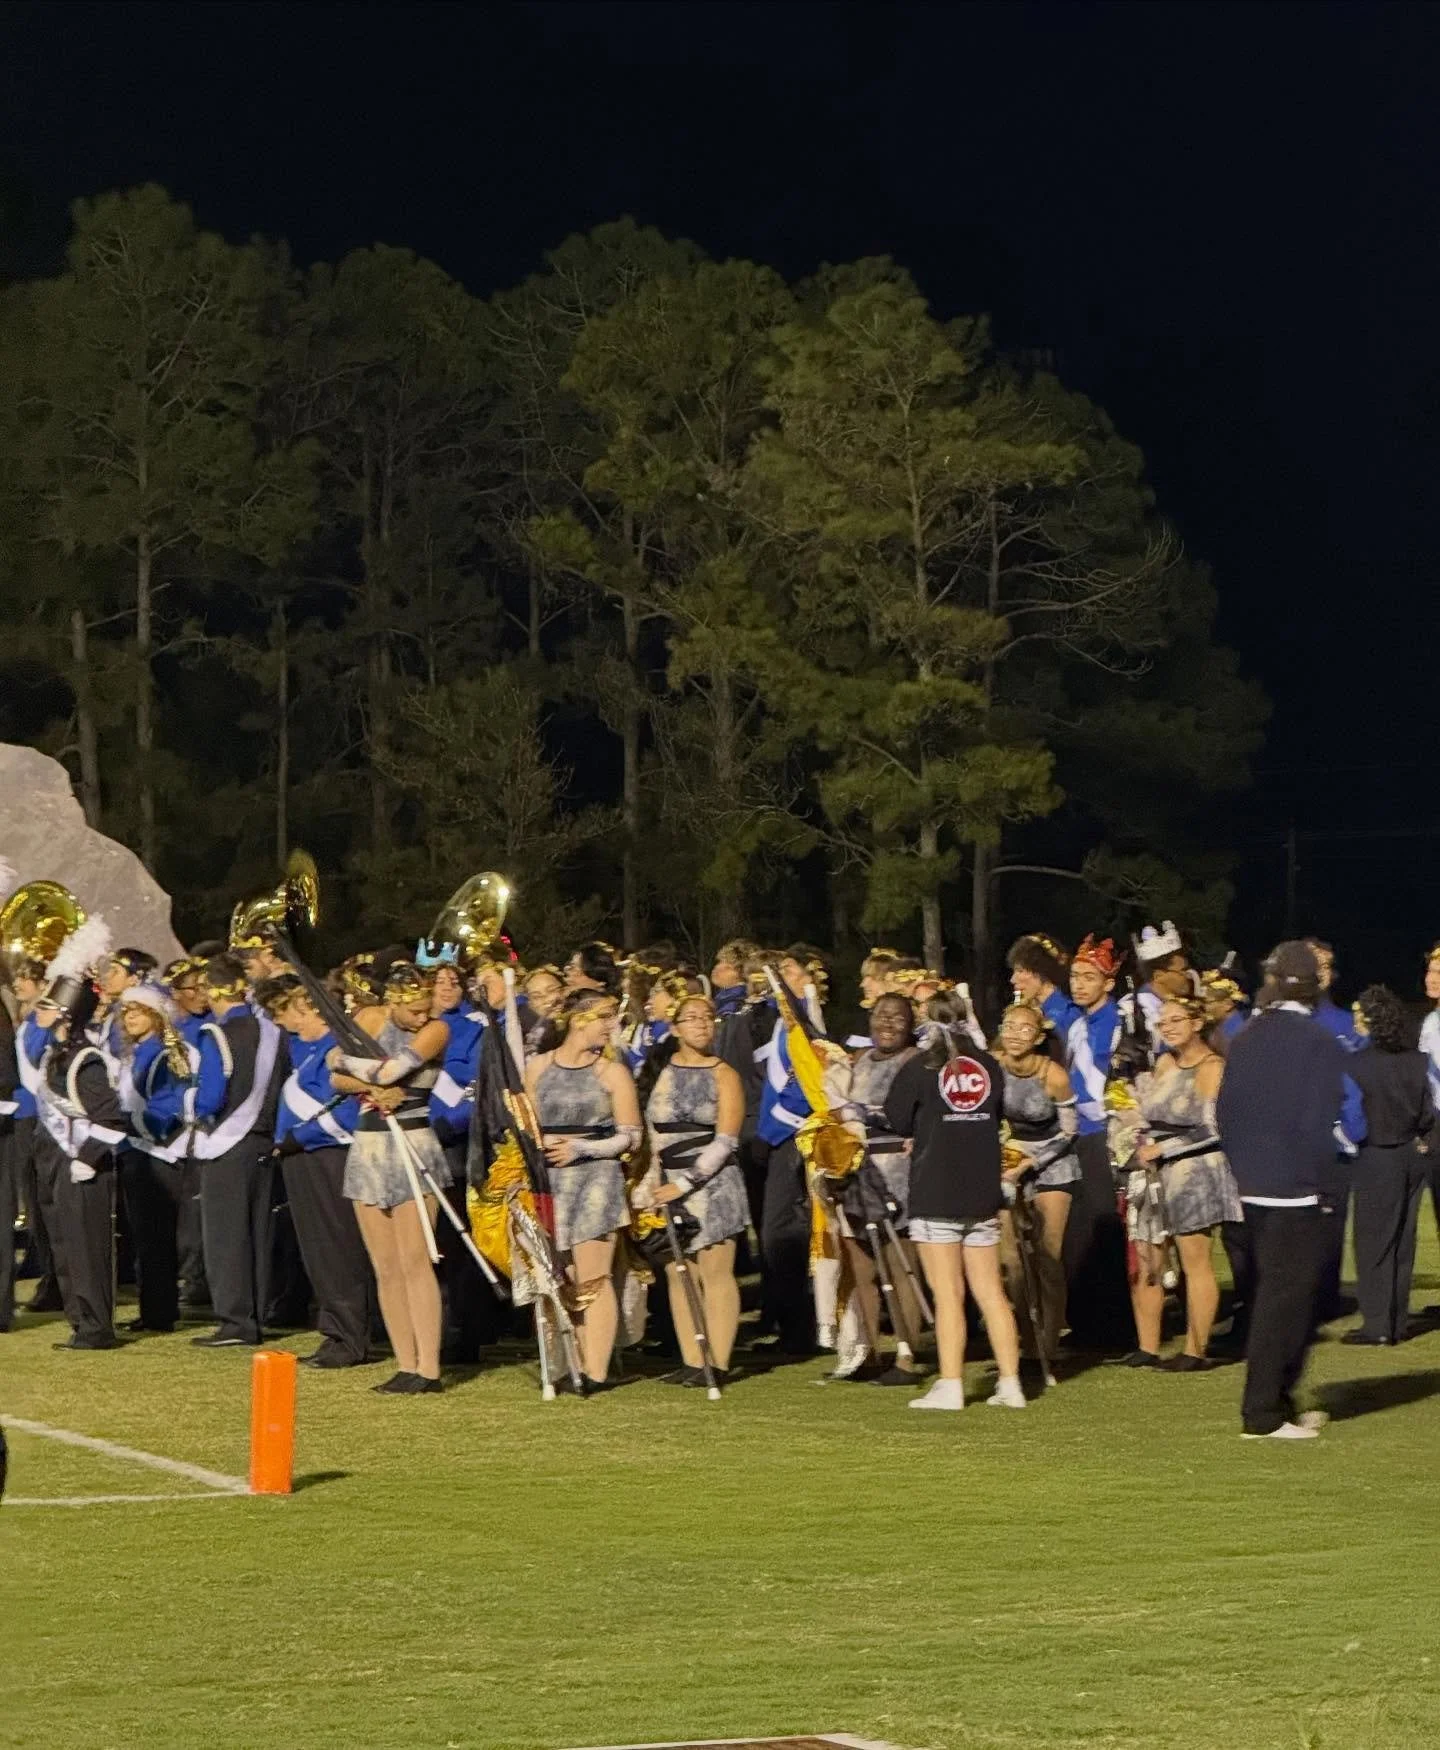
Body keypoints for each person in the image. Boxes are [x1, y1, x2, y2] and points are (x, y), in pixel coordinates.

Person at [1216, 941, 1364, 1440]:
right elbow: (1324, 1119)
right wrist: (1320, 1177)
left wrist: (1245, 1169)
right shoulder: (1320, 1040)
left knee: (1275, 1296)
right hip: (1299, 1188)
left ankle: (1279, 1401)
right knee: (1288, 1302)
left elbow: (1226, 1112)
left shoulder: (1246, 1035)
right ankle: (1263, 1413)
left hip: (1254, 1186)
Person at [884, 994, 1025, 1412]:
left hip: (937, 1188)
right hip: (982, 1189)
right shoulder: (989, 1065)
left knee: (948, 1294)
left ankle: (950, 1384)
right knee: (991, 1292)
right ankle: (1011, 1383)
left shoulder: (921, 1067)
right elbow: (1000, 1113)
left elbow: (896, 1118)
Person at [327, 961, 453, 1394]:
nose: (422, 1017)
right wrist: (368, 1084)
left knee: (415, 1261)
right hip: (370, 1146)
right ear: (393, 1002)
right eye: (414, 1010)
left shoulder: (436, 1030)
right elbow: (335, 1077)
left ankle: (429, 1369)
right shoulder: (368, 1018)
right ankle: (405, 1363)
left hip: (413, 1144)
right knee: (385, 1266)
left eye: (426, 1008)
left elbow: (391, 1070)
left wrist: (358, 1070)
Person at [524, 987, 641, 1391]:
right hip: (552, 1181)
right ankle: (576, 1362)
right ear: (578, 1019)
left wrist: (581, 1148)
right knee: (567, 1276)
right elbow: (528, 1125)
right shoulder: (538, 1067)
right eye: (604, 1017)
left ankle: (597, 1370)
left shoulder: (611, 1072)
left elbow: (631, 1136)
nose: (612, 1026)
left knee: (595, 1276)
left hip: (596, 1178)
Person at [256, 975, 376, 1369]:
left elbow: (346, 1112)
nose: (280, 1019)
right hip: (304, 1158)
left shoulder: (335, 1048)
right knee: (318, 1253)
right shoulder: (303, 1048)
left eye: (285, 1010)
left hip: (327, 1156)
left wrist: (298, 1137)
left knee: (336, 1249)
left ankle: (348, 1338)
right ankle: (336, 1331)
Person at [634, 992, 748, 1384]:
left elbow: (726, 1140)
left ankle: (718, 1361)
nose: (701, 1024)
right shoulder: (659, 1071)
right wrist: (651, 1183)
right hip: (666, 1180)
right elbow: (650, 1132)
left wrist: (686, 1184)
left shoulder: (724, 1074)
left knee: (716, 1272)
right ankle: (693, 1359)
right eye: (692, 1018)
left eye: (706, 1017)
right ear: (676, 1027)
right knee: (679, 1272)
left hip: (713, 1184)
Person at [1123, 997, 1241, 1370]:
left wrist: (1164, 1147)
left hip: (1195, 1171)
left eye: (1176, 1020)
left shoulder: (1211, 1066)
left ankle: (1195, 1350)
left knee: (1195, 1261)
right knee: (1148, 1258)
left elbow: (1213, 1128)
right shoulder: (1164, 1062)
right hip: (1152, 1170)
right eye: (1163, 1022)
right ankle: (1148, 1345)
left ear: (1197, 1022)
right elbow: (1148, 1113)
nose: (1168, 1028)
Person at [31, 930, 128, 1352]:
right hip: (54, 1162)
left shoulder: (86, 1060)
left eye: (48, 1005)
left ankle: (96, 1328)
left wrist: (87, 1159)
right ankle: (80, 1322)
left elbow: (112, 1119)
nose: (40, 1010)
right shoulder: (57, 1055)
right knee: (64, 1247)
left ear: (67, 1014)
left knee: (86, 1249)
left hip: (81, 1166)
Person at [190, 952, 286, 1349]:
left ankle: (235, 1321)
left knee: (226, 1236)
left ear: (215, 990)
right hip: (264, 1139)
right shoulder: (273, 1031)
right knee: (258, 1232)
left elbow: (210, 1097)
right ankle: (257, 1313)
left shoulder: (218, 1034)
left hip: (228, 1142)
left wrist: (188, 1104)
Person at [835, 991, 924, 1383]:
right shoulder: (858, 1061)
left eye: (897, 1018)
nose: (887, 1024)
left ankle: (906, 1356)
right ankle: (868, 1351)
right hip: (857, 1169)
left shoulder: (918, 1062)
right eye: (881, 1015)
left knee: (900, 1265)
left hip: (899, 1172)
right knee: (861, 1267)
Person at [1343, 984, 1435, 1346]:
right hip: (1411, 1155)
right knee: (1402, 1242)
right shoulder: (1418, 1061)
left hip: (1376, 1156)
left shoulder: (1355, 1064)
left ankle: (1377, 1326)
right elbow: (1428, 1113)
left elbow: (1352, 1123)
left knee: (1373, 1243)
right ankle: (1396, 1322)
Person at [992, 1001, 1079, 1365]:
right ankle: (1025, 1340)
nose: (1015, 1035)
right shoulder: (993, 1067)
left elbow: (1070, 1131)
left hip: (1052, 1162)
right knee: (1012, 1259)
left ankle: (1049, 1339)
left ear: (1039, 1037)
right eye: (1010, 1026)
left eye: (1025, 1029)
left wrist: (1034, 1161)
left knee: (1047, 1255)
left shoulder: (1052, 1075)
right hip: (1010, 1162)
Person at [113, 983, 196, 1335]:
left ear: (156, 1015)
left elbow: (169, 1110)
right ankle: (152, 1309)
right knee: (144, 1237)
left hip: (156, 1154)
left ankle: (160, 1312)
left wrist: (119, 1122)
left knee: (156, 1237)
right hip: (134, 1149)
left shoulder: (166, 1054)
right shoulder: (138, 1053)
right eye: (126, 1012)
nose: (130, 1017)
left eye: (138, 1011)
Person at [1063, 935, 1132, 1349]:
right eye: (1075, 976)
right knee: (1077, 1230)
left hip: (1102, 1133)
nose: (1079, 984)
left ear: (1108, 983)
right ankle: (1084, 1321)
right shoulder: (1077, 1021)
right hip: (1074, 1134)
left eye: (1089, 977)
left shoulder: (1118, 1021)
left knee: (1105, 1226)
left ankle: (1116, 1325)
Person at [1007, 935, 1081, 1043]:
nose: (1013, 979)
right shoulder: (1030, 1012)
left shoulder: (1068, 1017)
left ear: (1042, 971)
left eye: (1020, 971)